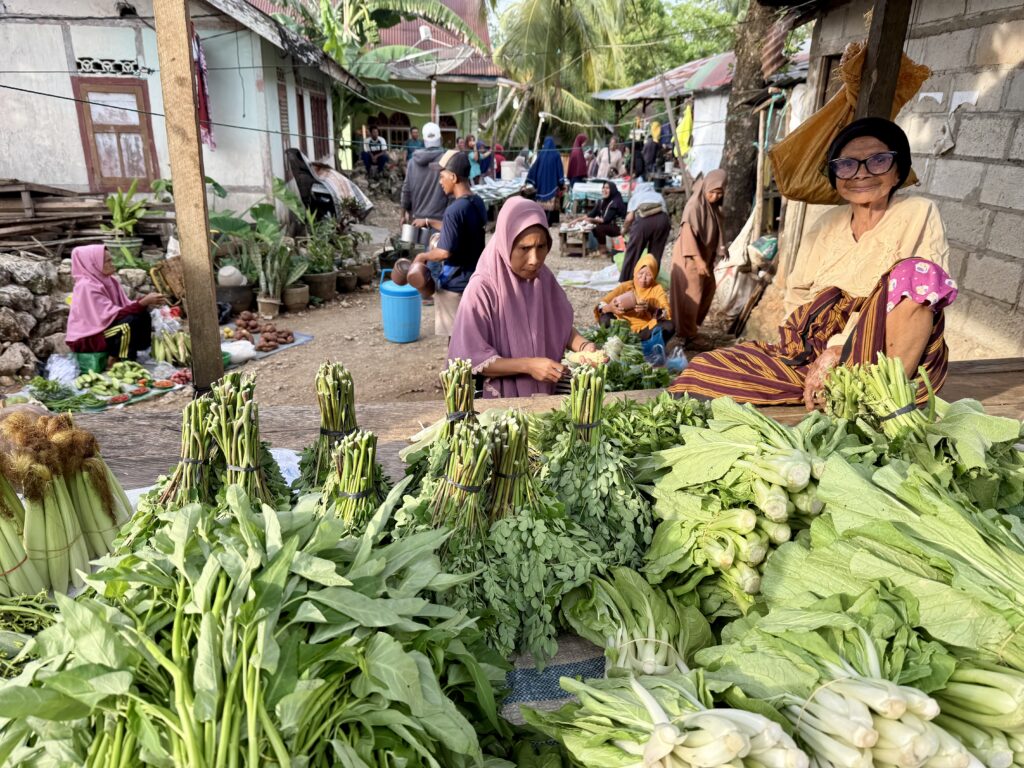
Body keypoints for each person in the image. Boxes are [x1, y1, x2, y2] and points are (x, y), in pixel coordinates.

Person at [670, 117, 957, 409]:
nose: (861, 173)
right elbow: (798, 293)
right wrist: (803, 347)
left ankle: (881, 399)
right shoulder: (826, 224)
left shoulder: (918, 212)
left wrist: (841, 349)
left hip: (886, 355)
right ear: (835, 175)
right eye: (847, 164)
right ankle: (826, 385)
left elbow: (922, 293)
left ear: (898, 172)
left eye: (878, 161)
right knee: (703, 370)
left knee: (917, 273)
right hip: (814, 350)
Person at [448, 197, 599, 398]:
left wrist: (583, 346)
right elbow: (469, 358)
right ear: (505, 243)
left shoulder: (543, 278)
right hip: (502, 403)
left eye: (541, 246)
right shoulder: (482, 288)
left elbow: (558, 325)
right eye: (524, 248)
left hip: (545, 393)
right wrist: (528, 366)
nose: (535, 260)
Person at [414, 151, 487, 337]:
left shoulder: (454, 210)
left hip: (454, 285)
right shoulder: (476, 202)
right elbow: (458, 229)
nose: (440, 181)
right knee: (472, 336)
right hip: (475, 278)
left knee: (455, 339)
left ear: (453, 177)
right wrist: (429, 221)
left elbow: (444, 252)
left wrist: (423, 256)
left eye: (442, 176)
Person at [65, 244, 166, 362]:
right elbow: (113, 315)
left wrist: (143, 302)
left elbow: (124, 307)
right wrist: (142, 302)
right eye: (107, 261)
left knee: (141, 314)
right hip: (89, 338)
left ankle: (140, 350)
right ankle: (120, 360)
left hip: (104, 328)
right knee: (127, 324)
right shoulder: (86, 286)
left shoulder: (109, 281)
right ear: (94, 264)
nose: (112, 264)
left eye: (111, 260)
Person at [669, 169, 727, 347]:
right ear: (706, 188)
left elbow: (715, 228)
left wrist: (720, 248)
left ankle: (691, 328)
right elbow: (687, 234)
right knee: (692, 294)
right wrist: (699, 260)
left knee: (708, 289)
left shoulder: (712, 206)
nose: (715, 197)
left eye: (719, 193)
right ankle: (688, 335)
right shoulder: (695, 206)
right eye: (712, 192)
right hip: (690, 256)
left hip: (703, 256)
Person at [595, 253, 673, 342]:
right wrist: (610, 308)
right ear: (635, 271)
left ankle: (635, 340)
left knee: (669, 326)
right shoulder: (626, 286)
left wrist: (650, 308)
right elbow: (600, 305)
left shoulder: (657, 289)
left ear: (654, 276)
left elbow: (667, 312)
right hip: (621, 326)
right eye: (641, 273)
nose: (643, 278)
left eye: (648, 275)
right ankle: (621, 339)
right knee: (605, 318)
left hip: (644, 330)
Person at [401, 122, 448, 231]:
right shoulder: (446, 160)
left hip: (417, 222)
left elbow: (406, 190)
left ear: (424, 140)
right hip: (440, 223)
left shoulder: (412, 162)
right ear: (440, 139)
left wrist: (402, 215)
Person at [620, 182, 670, 282]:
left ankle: (627, 280)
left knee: (633, 252)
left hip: (644, 222)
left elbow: (629, 218)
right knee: (655, 254)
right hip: (663, 221)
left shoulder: (637, 196)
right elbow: (665, 212)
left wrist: (623, 229)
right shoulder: (658, 196)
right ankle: (650, 280)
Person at [579, 181, 626, 257]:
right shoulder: (601, 202)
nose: (604, 190)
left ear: (612, 190)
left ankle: (603, 251)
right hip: (610, 225)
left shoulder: (615, 202)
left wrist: (592, 220)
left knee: (599, 228)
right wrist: (576, 221)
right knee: (593, 227)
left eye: (607, 188)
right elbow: (590, 214)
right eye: (603, 188)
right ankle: (598, 248)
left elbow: (605, 220)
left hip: (619, 227)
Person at [525, 136, 566, 223]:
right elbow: (559, 169)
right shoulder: (556, 154)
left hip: (541, 184)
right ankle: (552, 221)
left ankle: (542, 220)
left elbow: (534, 168)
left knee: (542, 205)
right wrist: (561, 182)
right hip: (552, 183)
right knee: (552, 202)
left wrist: (529, 179)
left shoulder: (541, 154)